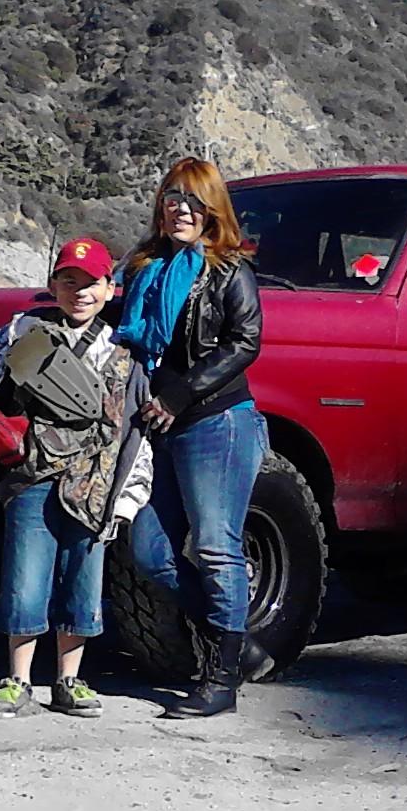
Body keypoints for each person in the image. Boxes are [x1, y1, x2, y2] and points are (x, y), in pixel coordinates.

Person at [0, 237, 153, 720]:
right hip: (32, 477)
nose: (80, 292)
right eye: (69, 282)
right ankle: (17, 682)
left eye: (91, 283)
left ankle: (70, 681)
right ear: (53, 286)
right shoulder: (21, 334)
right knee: (24, 579)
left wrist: (127, 495)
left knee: (82, 583)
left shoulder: (127, 349)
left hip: (94, 485)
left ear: (109, 288)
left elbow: (134, 428)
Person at [116, 157, 266, 718]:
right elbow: (125, 332)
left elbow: (245, 341)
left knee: (215, 546)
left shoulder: (229, 269)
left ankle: (220, 679)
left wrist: (180, 393)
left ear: (212, 210)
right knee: (150, 550)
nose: (181, 209)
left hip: (216, 421)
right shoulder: (144, 270)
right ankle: (240, 645)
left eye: (193, 201)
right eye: (172, 198)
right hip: (158, 424)